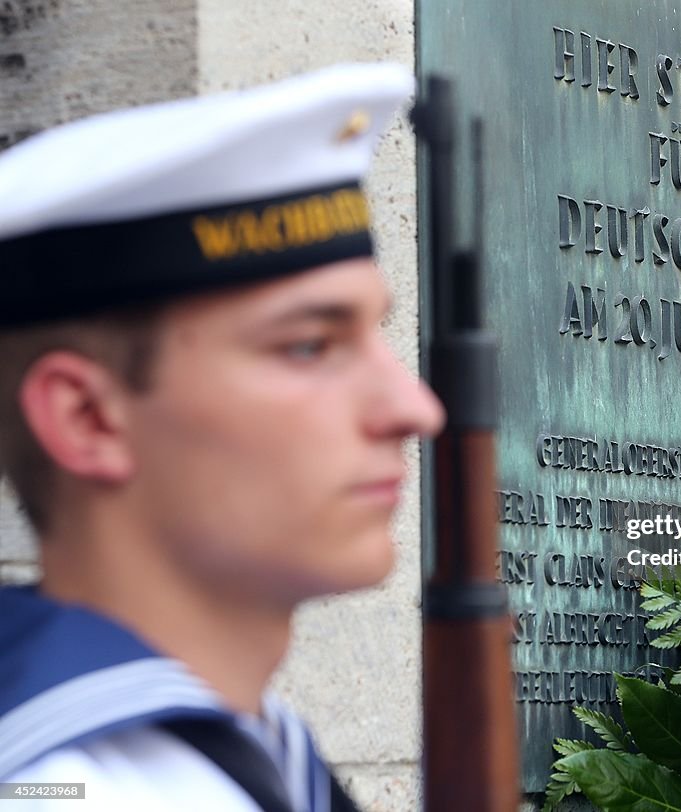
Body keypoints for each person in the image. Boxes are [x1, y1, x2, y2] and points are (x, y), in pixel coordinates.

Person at [0, 62, 444, 811]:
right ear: (87, 419)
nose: (415, 409)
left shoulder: (255, 760)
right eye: (309, 346)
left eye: (374, 335)